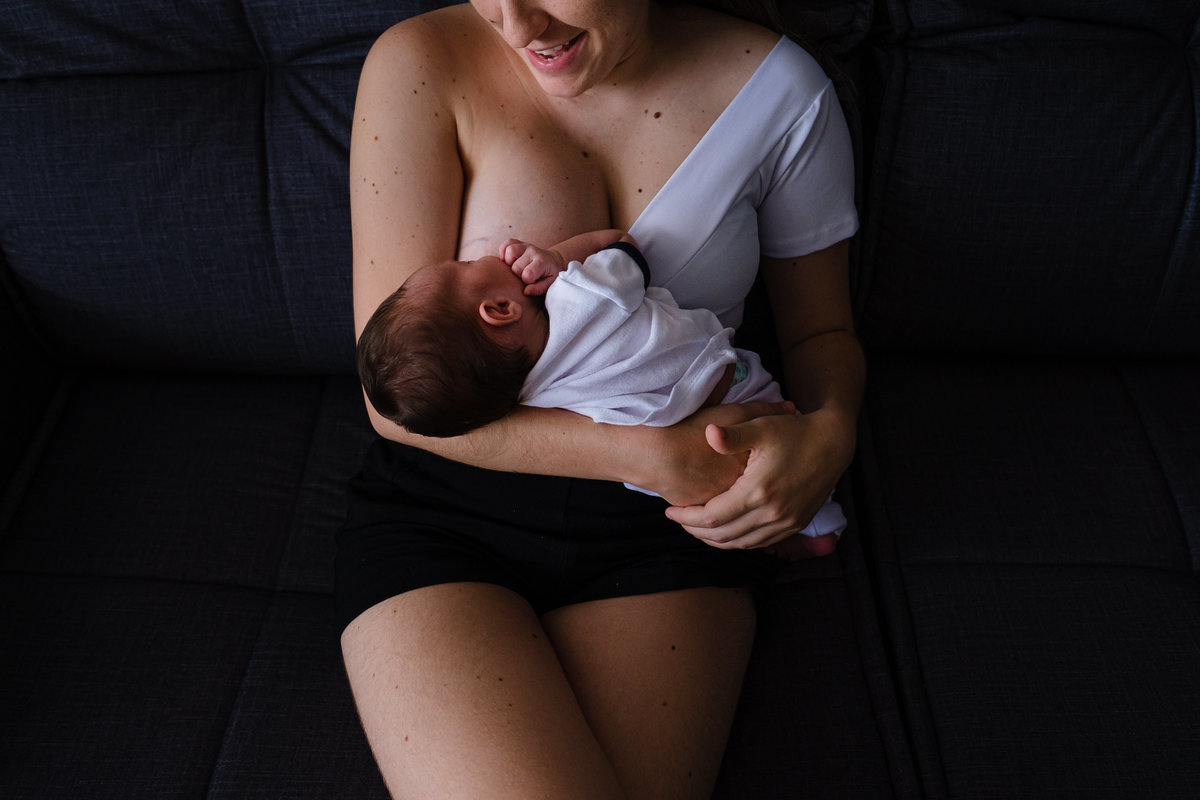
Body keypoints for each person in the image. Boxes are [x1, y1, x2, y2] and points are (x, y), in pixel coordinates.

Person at [339, 1, 864, 797]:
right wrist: (649, 456)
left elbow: (822, 331)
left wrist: (829, 437)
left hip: (671, 526)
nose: (516, 28)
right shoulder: (420, 63)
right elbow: (391, 401)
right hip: (451, 503)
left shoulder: (782, 94)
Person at [355, 227, 847, 549]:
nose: (474, 259)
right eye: (464, 267)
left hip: (668, 457)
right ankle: (818, 519)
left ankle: (806, 531)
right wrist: (557, 258)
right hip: (730, 385)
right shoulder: (585, 296)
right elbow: (622, 247)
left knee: (735, 494)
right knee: (782, 445)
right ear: (500, 310)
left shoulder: (527, 397)